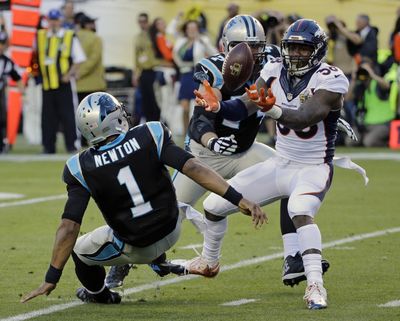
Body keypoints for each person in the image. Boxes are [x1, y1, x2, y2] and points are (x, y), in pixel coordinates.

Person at [105, 15, 332, 290]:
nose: (249, 53)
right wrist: (213, 141)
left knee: (291, 175)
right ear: (226, 46)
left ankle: (293, 257)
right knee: (163, 214)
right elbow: (200, 120)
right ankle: (121, 264)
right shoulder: (211, 69)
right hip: (204, 157)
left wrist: (329, 116)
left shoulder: (274, 61)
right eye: (241, 46)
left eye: (255, 46)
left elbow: (298, 94)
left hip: (245, 152)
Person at [20, 92, 266, 304]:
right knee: (154, 207)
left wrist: (51, 278)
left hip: (136, 246)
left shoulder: (80, 166)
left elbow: (69, 226)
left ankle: (101, 294)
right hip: (172, 229)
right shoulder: (150, 133)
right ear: (111, 118)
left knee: (79, 251)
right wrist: (239, 199)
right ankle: (160, 262)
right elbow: (194, 168)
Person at [192, 19, 351, 310]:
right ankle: (208, 261)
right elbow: (245, 104)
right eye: (291, 47)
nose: (295, 54)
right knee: (214, 206)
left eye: (303, 49)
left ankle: (315, 284)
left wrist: (272, 108)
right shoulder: (274, 69)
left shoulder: (331, 78)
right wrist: (217, 106)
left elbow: (304, 116)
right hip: (281, 163)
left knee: (299, 210)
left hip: (313, 166)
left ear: (316, 51)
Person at [36, 8, 86, 154]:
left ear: (61, 20)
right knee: (47, 118)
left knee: (68, 115)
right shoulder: (41, 35)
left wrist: (69, 74)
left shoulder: (69, 36)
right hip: (47, 83)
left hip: (63, 84)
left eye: (56, 20)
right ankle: (48, 146)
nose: (53, 23)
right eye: (51, 20)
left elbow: (79, 59)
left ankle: (71, 145)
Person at [173, 20, 217, 133]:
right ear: (186, 30)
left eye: (194, 28)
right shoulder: (181, 41)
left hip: (198, 74)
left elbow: (214, 53)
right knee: (184, 106)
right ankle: (185, 131)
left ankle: (198, 130)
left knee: (199, 104)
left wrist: (204, 43)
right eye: (189, 28)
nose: (191, 31)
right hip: (185, 74)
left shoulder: (203, 40)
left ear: (198, 29)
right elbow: (175, 55)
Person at [0, 31, 24, 153]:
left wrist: (22, 93)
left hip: (1, 96)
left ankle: (2, 145)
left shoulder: (7, 62)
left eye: (2, 43)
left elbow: (18, 77)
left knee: (2, 119)